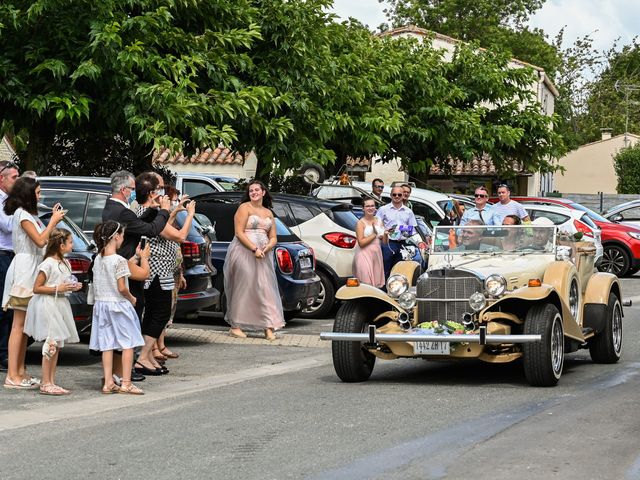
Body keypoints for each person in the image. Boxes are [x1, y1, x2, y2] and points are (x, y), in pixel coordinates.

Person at [101, 170, 170, 383]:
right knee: (129, 320)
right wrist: (164, 212)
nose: (133, 193)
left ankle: (122, 370)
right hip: (126, 269)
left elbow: (137, 224)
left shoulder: (114, 208)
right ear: (124, 190)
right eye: (131, 190)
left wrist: (151, 210)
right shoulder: (121, 211)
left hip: (123, 267)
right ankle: (124, 371)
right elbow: (150, 230)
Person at [2, 177, 65, 389]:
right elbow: (39, 240)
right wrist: (54, 221)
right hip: (24, 268)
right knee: (18, 325)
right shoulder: (21, 214)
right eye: (37, 193)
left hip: (32, 266)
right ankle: (12, 374)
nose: (40, 196)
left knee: (25, 326)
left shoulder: (30, 215)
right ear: (28, 194)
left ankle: (20, 371)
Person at [134, 173, 195, 376]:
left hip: (163, 271)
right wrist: (190, 215)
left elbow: (163, 226)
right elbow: (180, 236)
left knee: (154, 312)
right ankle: (143, 356)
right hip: (156, 271)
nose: (163, 193)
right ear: (152, 193)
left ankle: (148, 356)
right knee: (159, 313)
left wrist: (173, 210)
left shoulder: (153, 211)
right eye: (159, 189)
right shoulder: (148, 212)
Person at [89, 221, 149, 395]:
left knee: (107, 344)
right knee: (128, 343)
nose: (123, 238)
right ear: (116, 236)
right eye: (122, 235)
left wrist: (135, 258)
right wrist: (131, 298)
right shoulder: (119, 260)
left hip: (102, 304)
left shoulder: (99, 258)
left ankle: (108, 382)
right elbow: (122, 287)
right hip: (118, 304)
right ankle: (126, 382)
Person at [23, 228, 81, 395]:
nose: (72, 245)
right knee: (51, 343)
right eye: (70, 242)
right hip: (48, 305)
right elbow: (37, 288)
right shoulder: (47, 263)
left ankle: (51, 380)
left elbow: (64, 283)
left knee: (57, 345)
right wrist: (58, 287)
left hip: (60, 304)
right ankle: (46, 382)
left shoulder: (65, 263)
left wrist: (72, 287)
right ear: (61, 245)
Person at [224, 180, 284, 340]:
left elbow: (273, 237)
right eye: (251, 191)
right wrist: (254, 248)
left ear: (264, 192)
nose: (254, 192)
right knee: (244, 287)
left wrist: (268, 247)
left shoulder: (268, 212)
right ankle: (236, 325)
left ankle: (268, 325)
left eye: (257, 190)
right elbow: (239, 232)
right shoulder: (244, 208)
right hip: (244, 251)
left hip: (263, 254)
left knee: (264, 288)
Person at [0, 160, 19, 373]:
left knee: (10, 306)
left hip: (11, 255)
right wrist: (21, 214)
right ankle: (2, 353)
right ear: (1, 178)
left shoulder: (10, 200)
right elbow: (6, 225)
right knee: (3, 306)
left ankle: (5, 351)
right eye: (14, 177)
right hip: (2, 254)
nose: (17, 180)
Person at [376, 186, 418, 278]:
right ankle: (383, 291)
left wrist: (410, 234)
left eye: (399, 194)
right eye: (394, 194)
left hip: (403, 244)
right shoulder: (383, 209)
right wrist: (383, 232)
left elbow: (413, 229)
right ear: (391, 195)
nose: (397, 196)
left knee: (400, 271)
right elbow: (376, 225)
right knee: (385, 270)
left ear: (403, 196)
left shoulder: (409, 211)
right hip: (388, 243)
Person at [353, 198, 385, 288]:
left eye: (372, 206)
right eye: (367, 206)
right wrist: (374, 235)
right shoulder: (360, 223)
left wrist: (386, 235)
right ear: (363, 208)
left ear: (375, 208)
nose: (370, 208)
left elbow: (384, 241)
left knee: (376, 286)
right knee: (365, 284)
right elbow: (361, 243)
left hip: (377, 255)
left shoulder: (379, 221)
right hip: (364, 255)